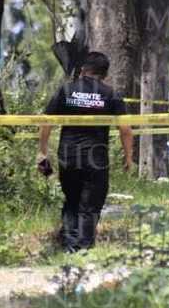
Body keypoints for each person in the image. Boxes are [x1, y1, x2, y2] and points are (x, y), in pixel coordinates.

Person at [37, 51, 134, 252]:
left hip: (68, 155)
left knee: (72, 199)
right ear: (105, 74)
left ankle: (71, 247)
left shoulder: (66, 90)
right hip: (96, 158)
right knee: (91, 203)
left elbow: (46, 122)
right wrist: (128, 157)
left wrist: (42, 153)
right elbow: (125, 129)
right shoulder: (111, 94)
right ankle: (83, 248)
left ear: (82, 70)